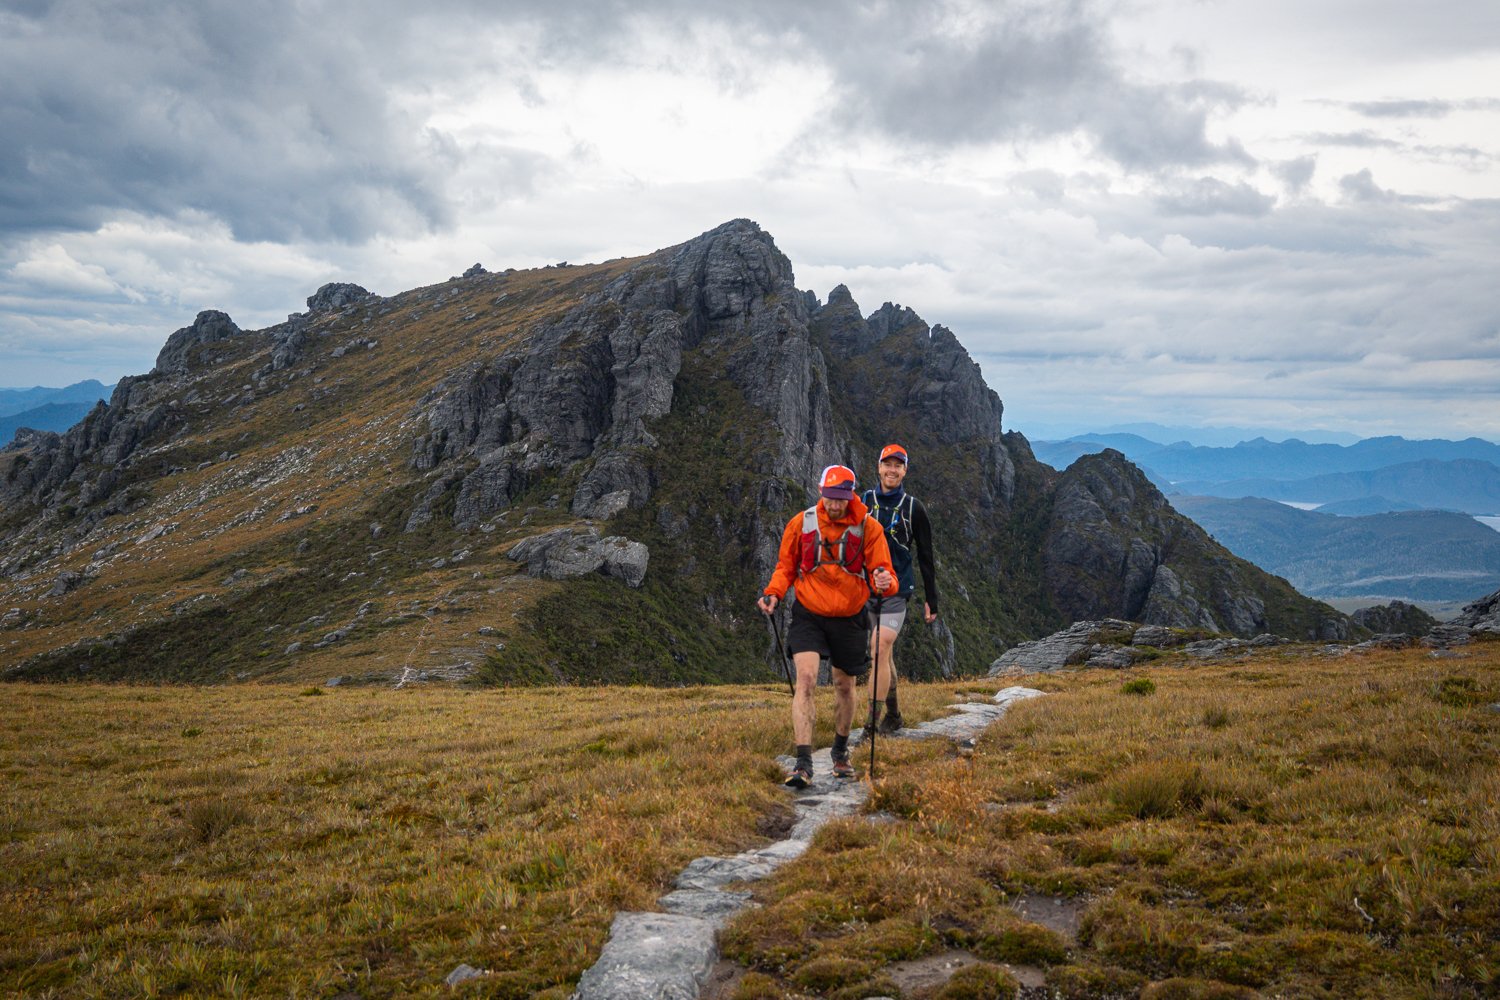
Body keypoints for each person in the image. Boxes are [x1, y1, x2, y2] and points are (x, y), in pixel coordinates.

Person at [758, 464, 897, 788]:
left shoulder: (868, 528)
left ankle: (839, 752)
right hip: (809, 614)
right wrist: (773, 593)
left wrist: (883, 580)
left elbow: (886, 579)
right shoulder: (802, 523)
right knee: (805, 679)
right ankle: (803, 763)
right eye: (830, 498)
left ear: (850, 496)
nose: (835, 505)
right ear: (822, 493)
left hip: (849, 617)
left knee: (844, 686)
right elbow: (786, 567)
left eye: (841, 499)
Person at [861, 443, 939, 734]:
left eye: (898, 465)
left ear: (905, 470)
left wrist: (932, 599)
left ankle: (871, 725)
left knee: (878, 648)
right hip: (866, 590)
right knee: (885, 655)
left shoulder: (913, 508)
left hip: (897, 590)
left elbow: (926, 555)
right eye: (887, 464)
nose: (892, 470)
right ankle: (894, 715)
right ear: (879, 467)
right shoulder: (863, 502)